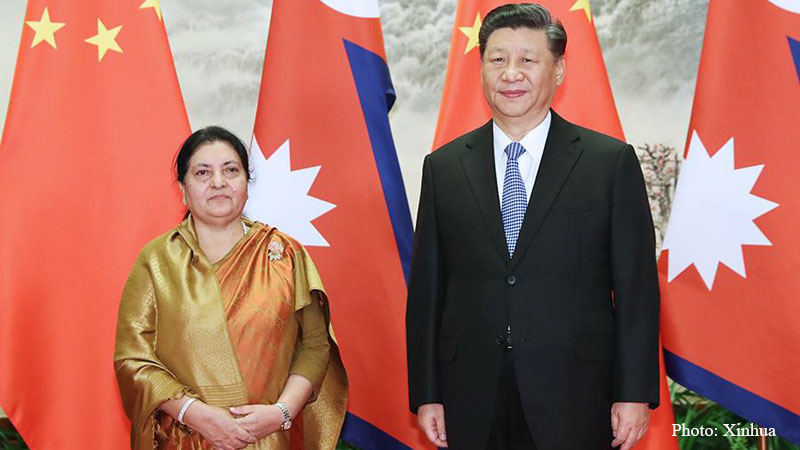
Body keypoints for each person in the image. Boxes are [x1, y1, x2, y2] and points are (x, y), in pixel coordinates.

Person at [406, 4, 660, 450]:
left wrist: (634, 391)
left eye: (528, 59)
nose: (511, 73)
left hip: (576, 389)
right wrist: (427, 394)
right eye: (498, 59)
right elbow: (428, 290)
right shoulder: (443, 167)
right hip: (469, 390)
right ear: (482, 68)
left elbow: (636, 288)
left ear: (558, 70)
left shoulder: (608, 162)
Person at [114, 126, 347, 450]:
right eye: (203, 172)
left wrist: (281, 412)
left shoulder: (284, 255)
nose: (218, 182)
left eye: (231, 170)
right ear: (183, 188)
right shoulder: (156, 261)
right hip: (186, 440)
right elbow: (133, 358)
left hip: (268, 439)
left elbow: (315, 344)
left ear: (247, 184)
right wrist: (193, 413)